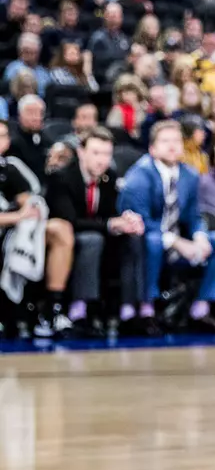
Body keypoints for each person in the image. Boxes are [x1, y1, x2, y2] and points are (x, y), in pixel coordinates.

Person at [117, 120, 215, 335]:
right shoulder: (140, 175)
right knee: (153, 241)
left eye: (176, 141)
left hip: (176, 239)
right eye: (165, 141)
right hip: (146, 241)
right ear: (152, 148)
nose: (172, 146)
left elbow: (194, 215)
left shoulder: (189, 175)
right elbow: (141, 221)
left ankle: (201, 308)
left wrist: (199, 236)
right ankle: (147, 309)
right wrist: (176, 242)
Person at [39, 127, 135, 337]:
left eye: (107, 154)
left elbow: (110, 213)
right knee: (92, 240)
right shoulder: (62, 178)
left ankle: (131, 309)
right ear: (81, 152)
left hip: (94, 233)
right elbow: (70, 220)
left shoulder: (109, 177)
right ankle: (79, 310)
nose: (102, 160)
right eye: (96, 153)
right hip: (61, 237)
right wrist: (111, 224)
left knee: (131, 238)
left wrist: (126, 221)